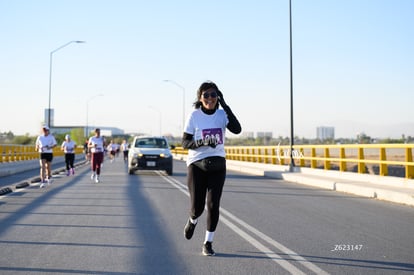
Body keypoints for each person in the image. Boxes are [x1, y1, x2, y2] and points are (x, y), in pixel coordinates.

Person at [182, 81, 241, 256]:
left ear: (218, 97)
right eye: (206, 95)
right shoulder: (194, 115)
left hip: (217, 164)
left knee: (213, 205)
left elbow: (237, 129)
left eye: (213, 95)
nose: (210, 98)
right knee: (197, 208)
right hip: (197, 164)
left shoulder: (222, 114)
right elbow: (185, 143)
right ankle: (192, 221)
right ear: (200, 98)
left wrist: (225, 104)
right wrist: (203, 142)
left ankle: (208, 243)